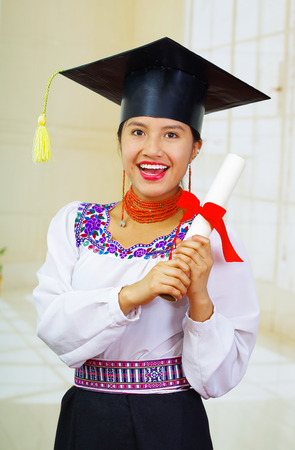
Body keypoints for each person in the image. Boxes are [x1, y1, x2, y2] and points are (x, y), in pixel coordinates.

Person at [33, 38, 269, 450]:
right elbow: (53, 328)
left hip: (172, 425)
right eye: (137, 130)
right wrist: (131, 295)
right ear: (120, 139)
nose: (152, 150)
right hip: (88, 420)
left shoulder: (211, 242)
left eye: (172, 134)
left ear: (195, 148)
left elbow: (219, 379)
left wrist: (199, 298)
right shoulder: (74, 224)